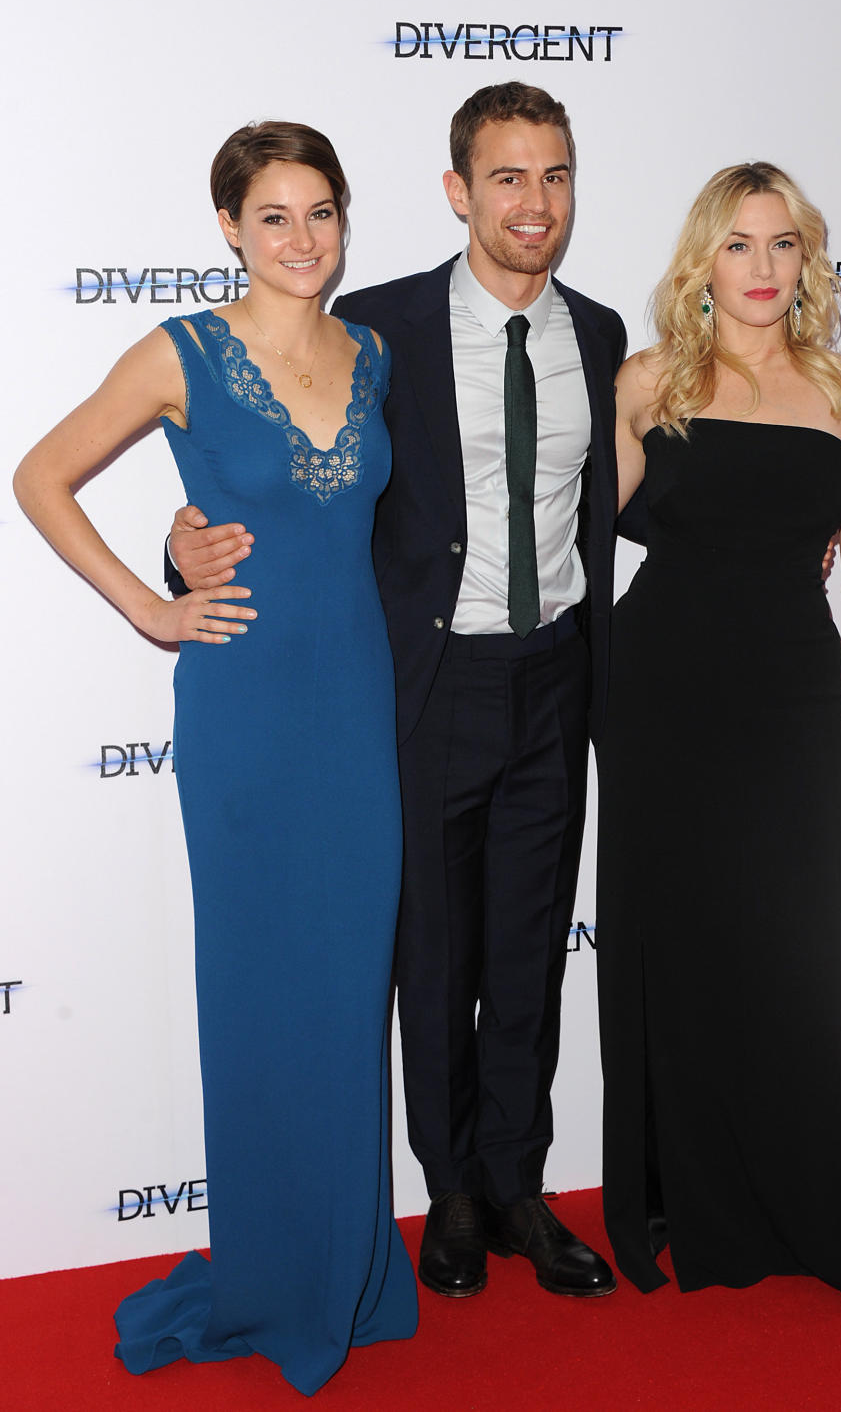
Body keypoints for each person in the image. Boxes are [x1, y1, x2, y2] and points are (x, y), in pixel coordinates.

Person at [167, 82, 647, 1301]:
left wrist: (779, 523)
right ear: (457, 192)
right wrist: (184, 550)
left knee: (530, 948)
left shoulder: (599, 334)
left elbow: (632, 492)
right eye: (507, 177)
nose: (534, 203)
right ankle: (449, 1196)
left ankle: (520, 1185)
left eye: (555, 176)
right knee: (432, 955)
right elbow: (277, 469)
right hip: (425, 682)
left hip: (557, 678)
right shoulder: (376, 333)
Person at [13, 121, 418, 1395]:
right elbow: (41, 476)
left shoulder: (375, 355)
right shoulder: (182, 352)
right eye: (275, 217)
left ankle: (347, 1263)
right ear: (231, 229)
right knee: (260, 1001)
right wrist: (153, 599)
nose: (302, 240)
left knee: (349, 996)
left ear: (345, 222)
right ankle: (274, 1274)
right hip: (244, 713)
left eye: (322, 214)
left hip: (356, 707)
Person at [597, 161, 841, 1307]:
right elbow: (576, 532)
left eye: (783, 245)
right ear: (702, 263)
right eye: (739, 245)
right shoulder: (648, 384)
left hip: (790, 691)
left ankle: (803, 1193)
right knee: (679, 951)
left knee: (792, 952)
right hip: (659, 693)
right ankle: (696, 1199)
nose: (764, 269)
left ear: (808, 260)